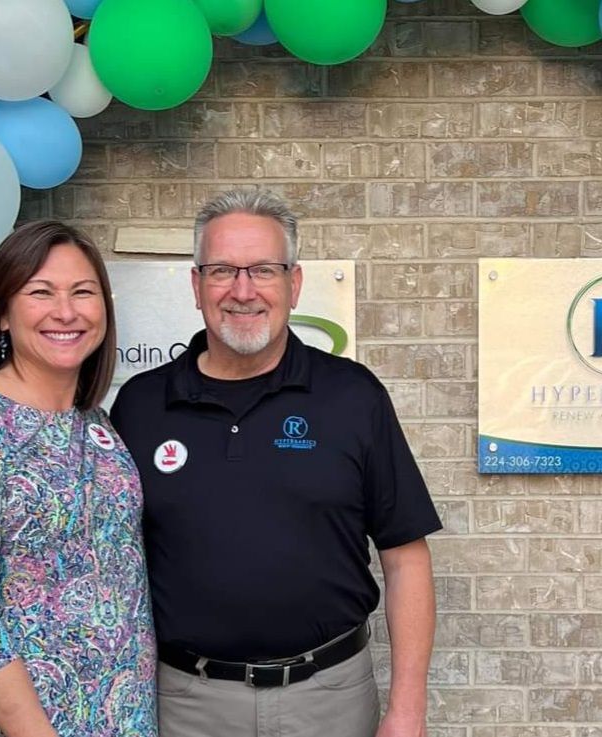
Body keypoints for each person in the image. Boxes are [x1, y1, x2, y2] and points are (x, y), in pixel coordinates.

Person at [111, 190, 441, 737]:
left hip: (330, 699)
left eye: (263, 269)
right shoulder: (142, 406)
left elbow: (406, 556)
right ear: (196, 286)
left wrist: (408, 708)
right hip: (186, 705)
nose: (243, 290)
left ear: (295, 282)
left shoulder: (352, 397)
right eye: (222, 270)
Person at [0, 221, 157, 737]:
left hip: (127, 716)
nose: (66, 312)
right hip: (33, 724)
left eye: (83, 292)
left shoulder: (95, 422)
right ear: (3, 313)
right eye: (41, 293)